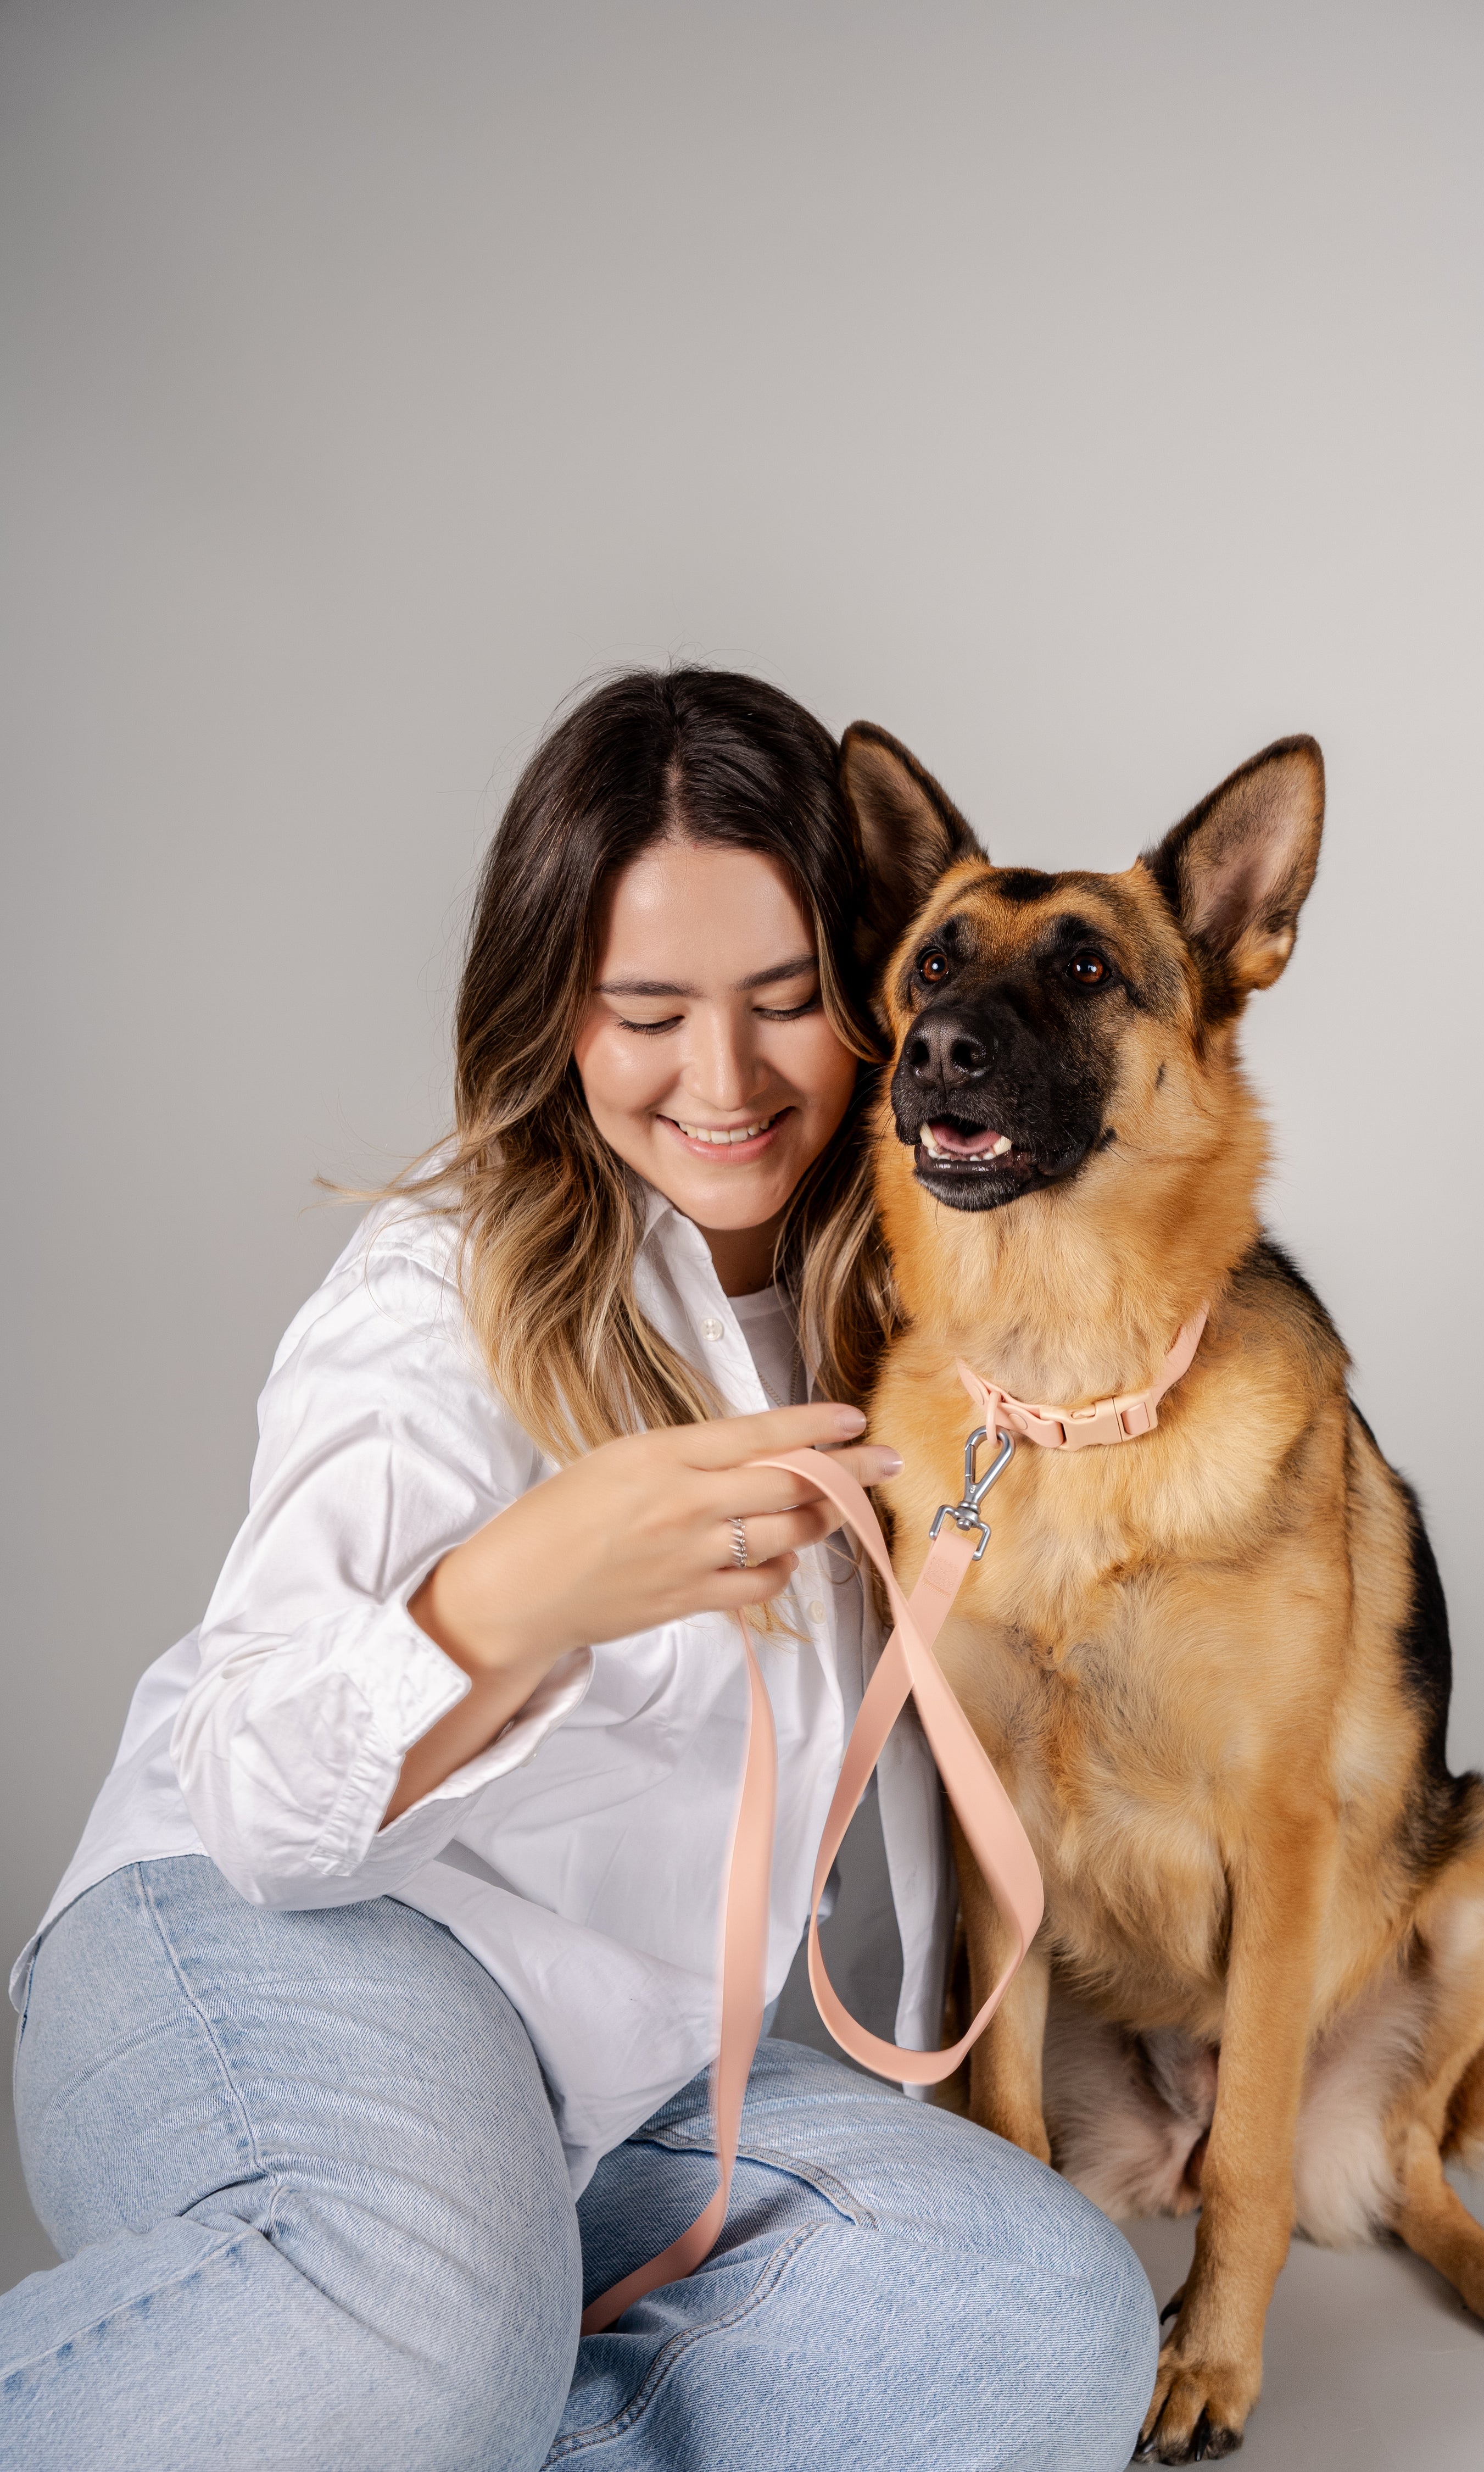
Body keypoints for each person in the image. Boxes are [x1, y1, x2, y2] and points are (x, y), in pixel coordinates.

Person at [1, 670, 1157, 2471]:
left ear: (885, 999)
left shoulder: (938, 1318)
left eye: (788, 1005)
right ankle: (400, 2369)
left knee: (1046, 2324)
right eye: (648, 1012)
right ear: (559, 1012)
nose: (726, 1081)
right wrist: (518, 1591)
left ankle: (393, 2404)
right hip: (278, 1942)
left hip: (630, 2082)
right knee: (435, 2339)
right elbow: (251, 1799)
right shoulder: (439, 1289)